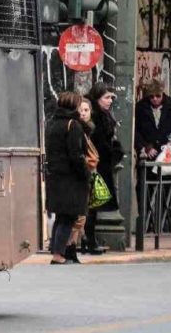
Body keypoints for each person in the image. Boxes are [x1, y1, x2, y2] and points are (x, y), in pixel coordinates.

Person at [45, 91, 91, 265]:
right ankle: (58, 254)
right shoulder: (73, 125)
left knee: (61, 216)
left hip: (55, 177)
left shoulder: (52, 123)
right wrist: (85, 172)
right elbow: (76, 155)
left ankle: (57, 251)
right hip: (71, 179)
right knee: (69, 217)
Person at [83, 82, 125, 253]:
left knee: (93, 205)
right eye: (106, 97)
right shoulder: (95, 116)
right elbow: (99, 143)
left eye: (111, 98)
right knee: (90, 205)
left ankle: (90, 240)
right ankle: (88, 240)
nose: (110, 101)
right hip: (96, 166)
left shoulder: (104, 115)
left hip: (102, 165)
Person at [65, 97, 99, 263]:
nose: (84, 113)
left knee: (81, 215)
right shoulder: (77, 129)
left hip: (86, 175)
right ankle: (69, 247)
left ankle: (73, 247)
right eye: (81, 110)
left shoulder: (87, 129)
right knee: (79, 215)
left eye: (86, 110)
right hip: (80, 176)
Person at [134, 78, 171, 160]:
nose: (155, 99)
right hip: (149, 154)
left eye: (158, 96)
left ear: (162, 94)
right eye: (151, 96)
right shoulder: (141, 107)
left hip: (168, 151)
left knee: (168, 171)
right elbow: (135, 130)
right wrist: (145, 146)